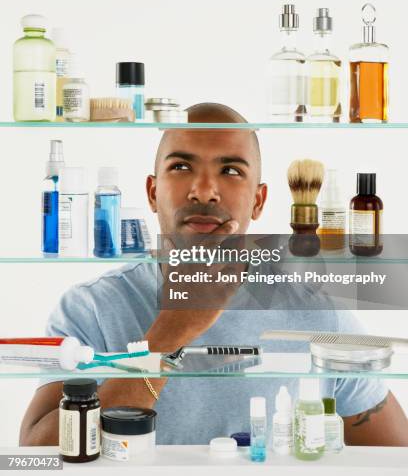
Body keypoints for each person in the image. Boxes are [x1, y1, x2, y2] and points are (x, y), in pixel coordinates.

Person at [20, 104, 408, 446]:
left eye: (230, 170)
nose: (204, 190)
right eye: (182, 167)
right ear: (153, 193)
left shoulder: (317, 310)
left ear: (258, 201)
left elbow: (393, 455)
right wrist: (169, 335)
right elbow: (36, 453)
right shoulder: (91, 308)